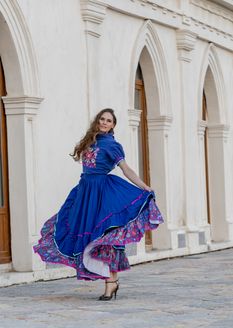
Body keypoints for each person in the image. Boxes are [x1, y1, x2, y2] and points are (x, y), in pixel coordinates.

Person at [33, 108, 164, 300]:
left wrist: (145, 186)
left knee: (105, 236)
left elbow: (126, 170)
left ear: (113, 125)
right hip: (85, 192)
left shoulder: (113, 146)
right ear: (97, 121)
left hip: (103, 193)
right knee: (73, 227)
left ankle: (111, 283)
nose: (104, 122)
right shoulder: (89, 141)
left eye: (108, 121)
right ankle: (112, 281)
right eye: (102, 119)